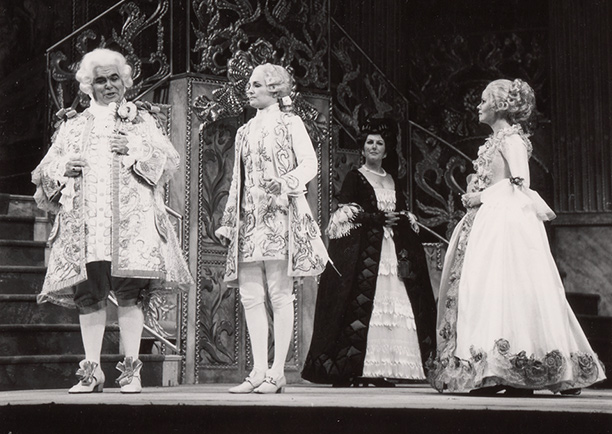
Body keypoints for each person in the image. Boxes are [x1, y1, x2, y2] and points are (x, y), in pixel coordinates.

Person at [429, 79, 606, 396]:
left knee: (511, 292)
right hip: (490, 222)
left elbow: (519, 181)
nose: (478, 106)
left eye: (484, 101)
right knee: (486, 292)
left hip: (508, 224)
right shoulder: (496, 140)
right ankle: (491, 368)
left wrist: (479, 198)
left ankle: (517, 369)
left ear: (498, 105)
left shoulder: (512, 139)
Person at [32, 48, 193, 394]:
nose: (108, 86)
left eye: (114, 78)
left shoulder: (142, 120)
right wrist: (63, 171)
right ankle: (92, 372)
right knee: (89, 295)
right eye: (100, 80)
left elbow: (168, 162)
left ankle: (131, 371)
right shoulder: (72, 126)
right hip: (87, 224)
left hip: (130, 225)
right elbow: (44, 171)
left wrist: (134, 149)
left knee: (130, 293)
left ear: (125, 81)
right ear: (89, 85)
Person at [216, 63, 328, 394]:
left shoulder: (290, 123)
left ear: (274, 89)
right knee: (251, 296)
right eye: (249, 85)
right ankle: (257, 369)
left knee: (280, 294)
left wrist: (286, 182)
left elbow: (310, 163)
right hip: (250, 218)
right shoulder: (244, 132)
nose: (248, 89)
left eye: (255, 84)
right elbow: (237, 180)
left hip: (280, 215)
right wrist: (228, 221)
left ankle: (277, 372)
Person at [301, 119, 437, 386]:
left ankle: (381, 369)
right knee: (364, 304)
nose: (374, 147)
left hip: (392, 250)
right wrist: (375, 218)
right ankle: (355, 369)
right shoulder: (355, 177)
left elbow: (401, 208)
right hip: (365, 254)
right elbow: (346, 213)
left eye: (379, 143)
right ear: (362, 149)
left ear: (386, 152)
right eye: (369, 143)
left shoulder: (392, 180)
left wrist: (401, 217)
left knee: (394, 305)